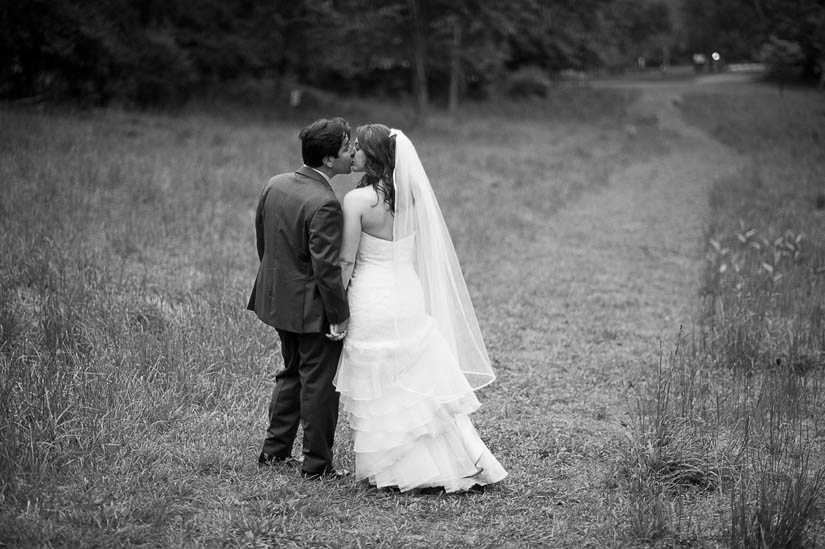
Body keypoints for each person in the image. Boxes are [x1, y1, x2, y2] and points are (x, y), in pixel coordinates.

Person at [333, 124, 507, 492]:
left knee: (380, 380)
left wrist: (335, 306)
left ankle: (396, 467)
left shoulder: (357, 202)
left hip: (372, 295)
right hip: (406, 293)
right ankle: (447, 460)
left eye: (361, 149)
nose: (355, 154)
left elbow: (346, 261)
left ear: (375, 156)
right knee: (414, 378)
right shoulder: (412, 196)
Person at [247, 117, 352, 479]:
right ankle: (317, 465)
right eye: (346, 147)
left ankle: (274, 453)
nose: (353, 153)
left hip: (277, 300)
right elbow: (327, 270)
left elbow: (265, 244)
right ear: (328, 160)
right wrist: (339, 314)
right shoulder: (325, 203)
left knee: (291, 373)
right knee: (320, 385)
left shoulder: (275, 184)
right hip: (311, 310)